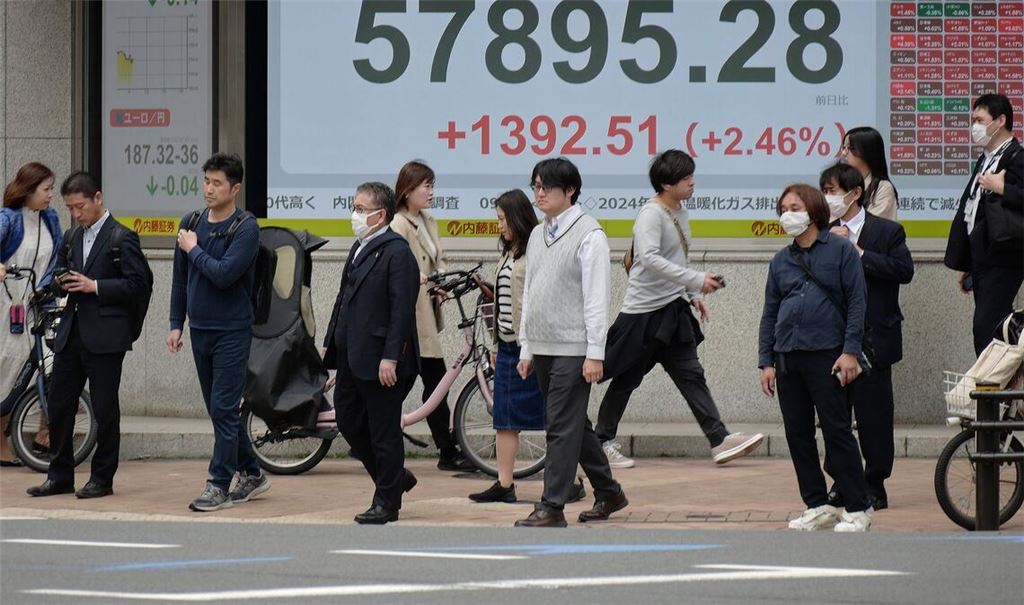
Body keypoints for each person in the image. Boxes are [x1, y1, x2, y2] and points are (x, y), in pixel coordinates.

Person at [596, 150, 763, 469]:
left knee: (691, 375)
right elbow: (649, 259)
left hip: (673, 312)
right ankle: (601, 441)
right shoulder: (651, 214)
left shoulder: (680, 212)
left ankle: (719, 439)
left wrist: (692, 293)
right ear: (666, 184)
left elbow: (678, 259)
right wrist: (696, 279)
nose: (692, 182)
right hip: (643, 315)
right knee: (626, 379)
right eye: (685, 178)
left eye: (691, 176)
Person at [514, 158, 627, 528]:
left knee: (559, 427)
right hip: (543, 346)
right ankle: (609, 491)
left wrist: (595, 353)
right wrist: (527, 346)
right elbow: (531, 292)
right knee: (574, 424)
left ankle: (552, 506)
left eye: (547, 186)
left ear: (571, 190)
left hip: (575, 348)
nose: (540, 193)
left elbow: (597, 299)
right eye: (536, 186)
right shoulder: (537, 234)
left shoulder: (590, 235)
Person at [757, 184, 873, 532]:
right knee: (798, 434)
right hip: (787, 356)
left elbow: (857, 303)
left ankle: (859, 506)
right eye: (783, 209)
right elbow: (769, 312)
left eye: (794, 208)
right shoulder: (781, 260)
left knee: (837, 431)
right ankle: (817, 504)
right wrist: (766, 361)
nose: (787, 215)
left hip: (828, 354)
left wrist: (850, 352)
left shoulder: (841, 251)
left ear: (813, 211)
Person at [26, 171, 148, 499]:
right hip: (71, 332)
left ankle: (102, 479)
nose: (76, 214)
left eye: (80, 206)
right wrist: (54, 285)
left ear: (98, 198)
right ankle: (59, 475)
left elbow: (138, 284)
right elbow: (61, 274)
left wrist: (95, 286)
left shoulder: (122, 237)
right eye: (70, 208)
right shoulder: (71, 237)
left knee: (105, 409)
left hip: (106, 337)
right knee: (59, 405)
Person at [168, 153, 270, 512]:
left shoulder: (246, 228)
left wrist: (193, 248)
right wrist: (175, 323)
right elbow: (180, 278)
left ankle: (218, 484)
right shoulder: (191, 221)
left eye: (217, 183)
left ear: (235, 188)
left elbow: (224, 275)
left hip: (232, 330)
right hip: (200, 329)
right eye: (206, 181)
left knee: (224, 408)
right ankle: (253, 473)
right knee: (219, 410)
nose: (209, 189)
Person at [323, 181, 420, 525]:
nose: (355, 215)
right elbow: (343, 299)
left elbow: (401, 311)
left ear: (380, 215)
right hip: (352, 354)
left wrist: (390, 357)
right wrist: (330, 343)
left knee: (383, 432)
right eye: (354, 207)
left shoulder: (397, 252)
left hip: (382, 360)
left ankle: (386, 503)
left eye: (361, 209)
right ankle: (394, 478)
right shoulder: (359, 247)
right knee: (349, 421)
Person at [820, 163, 914, 511]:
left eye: (833, 191)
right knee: (834, 416)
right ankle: (842, 482)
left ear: (855, 193)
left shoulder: (887, 231)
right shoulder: (822, 232)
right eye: (824, 191)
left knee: (874, 416)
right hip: (833, 339)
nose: (828, 198)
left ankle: (875, 483)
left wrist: (858, 253)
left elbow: (904, 270)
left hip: (875, 338)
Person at [389, 160, 473, 472]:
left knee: (425, 381)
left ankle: (445, 450)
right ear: (407, 190)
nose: (431, 192)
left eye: (432, 185)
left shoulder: (427, 220)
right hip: (410, 316)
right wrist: (421, 278)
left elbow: (439, 258)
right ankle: (447, 450)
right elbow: (398, 268)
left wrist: (442, 281)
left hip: (425, 313)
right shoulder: (398, 224)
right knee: (430, 380)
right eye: (426, 186)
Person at [944, 93, 1023, 355]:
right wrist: (968, 260)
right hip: (983, 256)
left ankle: (993, 379)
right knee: (995, 325)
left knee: (986, 326)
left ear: (1000, 121)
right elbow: (973, 209)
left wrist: (1002, 188)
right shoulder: (986, 157)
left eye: (980, 120)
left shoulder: (1016, 156)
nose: (975, 126)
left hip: (1004, 255)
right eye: (973, 120)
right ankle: (1006, 377)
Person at [1, 162, 61, 467]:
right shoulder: (8, 218)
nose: (51, 195)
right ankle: (1, 440)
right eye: (46, 189)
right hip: (7, 305)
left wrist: (47, 287)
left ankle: (44, 434)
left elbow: (57, 258)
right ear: (29, 190)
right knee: (10, 370)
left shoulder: (50, 218)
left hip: (38, 305)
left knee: (50, 365)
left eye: (52, 189)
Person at [841, 127, 899, 220]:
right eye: (844, 147)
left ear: (866, 151)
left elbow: (872, 223)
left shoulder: (883, 188)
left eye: (849, 148)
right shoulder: (842, 184)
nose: (844, 153)